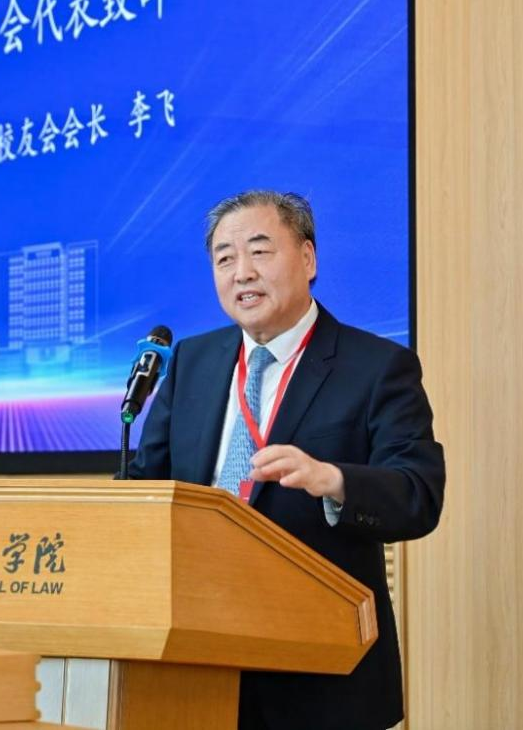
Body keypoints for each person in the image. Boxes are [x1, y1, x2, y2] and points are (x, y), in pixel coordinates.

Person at [126, 189, 445, 730]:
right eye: (225, 258)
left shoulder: (377, 366)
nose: (242, 272)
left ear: (308, 258)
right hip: (194, 662)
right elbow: (146, 484)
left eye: (260, 251)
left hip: (318, 675)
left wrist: (333, 480)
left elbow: (419, 494)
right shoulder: (192, 362)